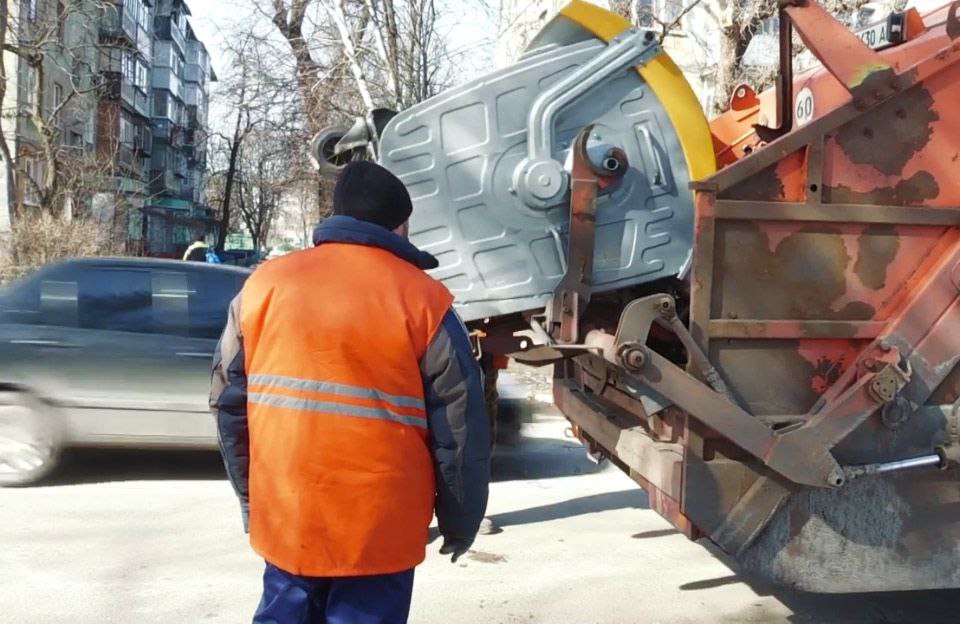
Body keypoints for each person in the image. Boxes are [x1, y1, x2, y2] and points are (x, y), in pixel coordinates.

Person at [210, 160, 491, 624]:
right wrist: (461, 522)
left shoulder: (262, 287)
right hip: (378, 531)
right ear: (400, 225)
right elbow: (459, 430)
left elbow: (227, 405)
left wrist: (251, 499)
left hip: (289, 515)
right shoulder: (424, 301)